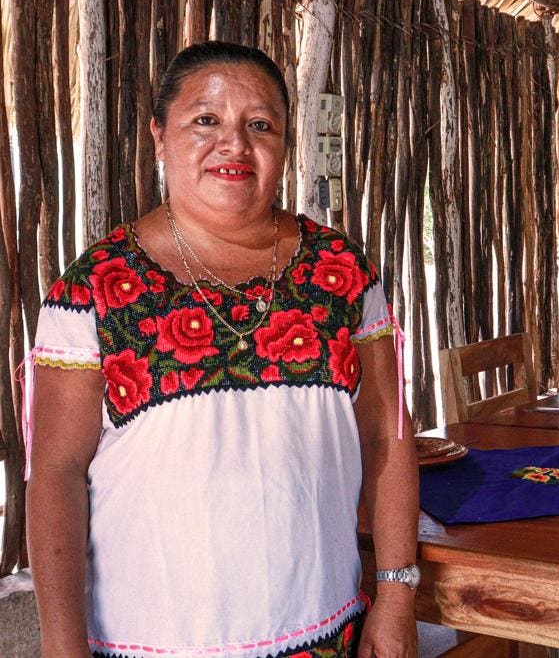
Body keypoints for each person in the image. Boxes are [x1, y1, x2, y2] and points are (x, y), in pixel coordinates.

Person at [26, 41, 419, 658]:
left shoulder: (343, 272)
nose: (234, 144)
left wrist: (396, 595)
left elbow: (388, 437)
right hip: (149, 640)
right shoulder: (94, 288)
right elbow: (55, 473)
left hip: (321, 631)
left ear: (285, 144)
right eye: (204, 120)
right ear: (159, 136)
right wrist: (60, 642)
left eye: (259, 125)